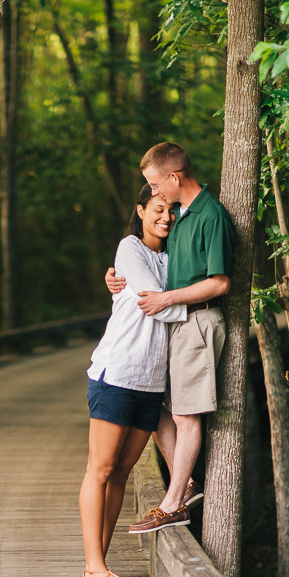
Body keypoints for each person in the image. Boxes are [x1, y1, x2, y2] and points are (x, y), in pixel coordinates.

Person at [106, 142, 234, 534]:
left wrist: (166, 300)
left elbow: (220, 282)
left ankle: (174, 501)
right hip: (174, 327)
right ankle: (185, 483)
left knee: (185, 414)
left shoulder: (210, 215)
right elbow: (154, 263)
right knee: (156, 406)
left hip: (195, 322)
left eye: (157, 184)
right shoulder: (181, 214)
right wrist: (116, 282)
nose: (155, 193)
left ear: (174, 177)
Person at [79, 184, 187, 577]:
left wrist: (179, 297)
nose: (166, 217)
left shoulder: (174, 254)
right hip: (118, 373)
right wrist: (199, 297)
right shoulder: (130, 248)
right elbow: (152, 300)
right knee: (101, 469)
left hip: (149, 383)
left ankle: (99, 564)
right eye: (158, 209)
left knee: (121, 472)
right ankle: (93, 569)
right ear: (141, 211)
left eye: (173, 210)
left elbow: (168, 298)